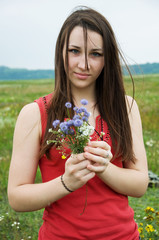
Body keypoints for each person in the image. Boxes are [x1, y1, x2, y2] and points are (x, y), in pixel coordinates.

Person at [8, 6, 148, 240]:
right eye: (75, 51)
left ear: (107, 58)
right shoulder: (34, 113)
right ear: (61, 52)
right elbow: (16, 197)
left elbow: (140, 185)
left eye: (95, 54)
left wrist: (104, 168)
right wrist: (66, 182)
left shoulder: (126, 107)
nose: (84, 64)